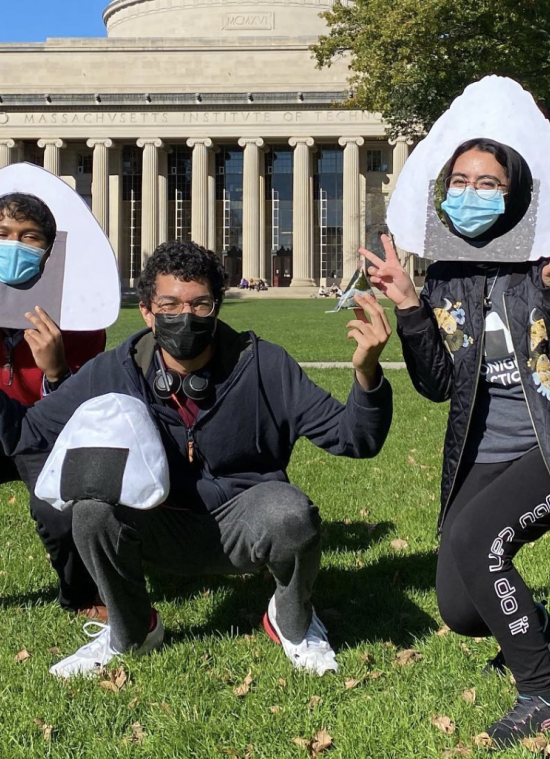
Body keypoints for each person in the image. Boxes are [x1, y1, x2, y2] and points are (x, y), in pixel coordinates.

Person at [0, 240, 393, 679]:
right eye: (169, 305)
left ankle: (291, 622)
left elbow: (355, 439)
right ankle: (131, 631)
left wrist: (367, 373)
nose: (184, 318)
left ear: (217, 307)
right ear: (148, 312)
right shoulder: (116, 370)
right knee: (91, 510)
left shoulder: (265, 365)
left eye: (199, 305)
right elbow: (27, 432)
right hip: (156, 524)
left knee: (292, 513)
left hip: (244, 522)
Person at [361, 137, 550, 748]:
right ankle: (536, 633)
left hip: (545, 448)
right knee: (461, 608)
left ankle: (542, 690)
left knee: (477, 542)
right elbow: (441, 386)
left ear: (515, 193)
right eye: (461, 182)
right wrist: (413, 309)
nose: (472, 194)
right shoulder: (447, 275)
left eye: (488, 184)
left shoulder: (542, 265)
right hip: (484, 451)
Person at [0, 192, 106, 616]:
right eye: (3, 234)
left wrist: (56, 370)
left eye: (29, 238)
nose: (14, 245)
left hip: (43, 431)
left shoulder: (82, 319)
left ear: (49, 251)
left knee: (60, 508)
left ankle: (80, 594)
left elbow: (83, 409)